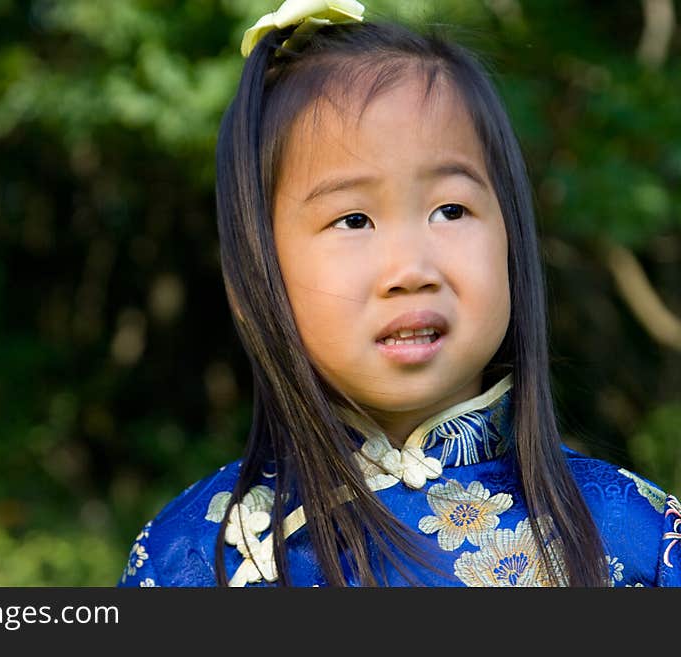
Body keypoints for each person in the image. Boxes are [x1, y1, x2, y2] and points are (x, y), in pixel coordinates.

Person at [117, 0, 681, 587]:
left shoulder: (637, 533)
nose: (411, 269)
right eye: (354, 220)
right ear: (256, 274)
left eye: (451, 210)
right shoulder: (192, 554)